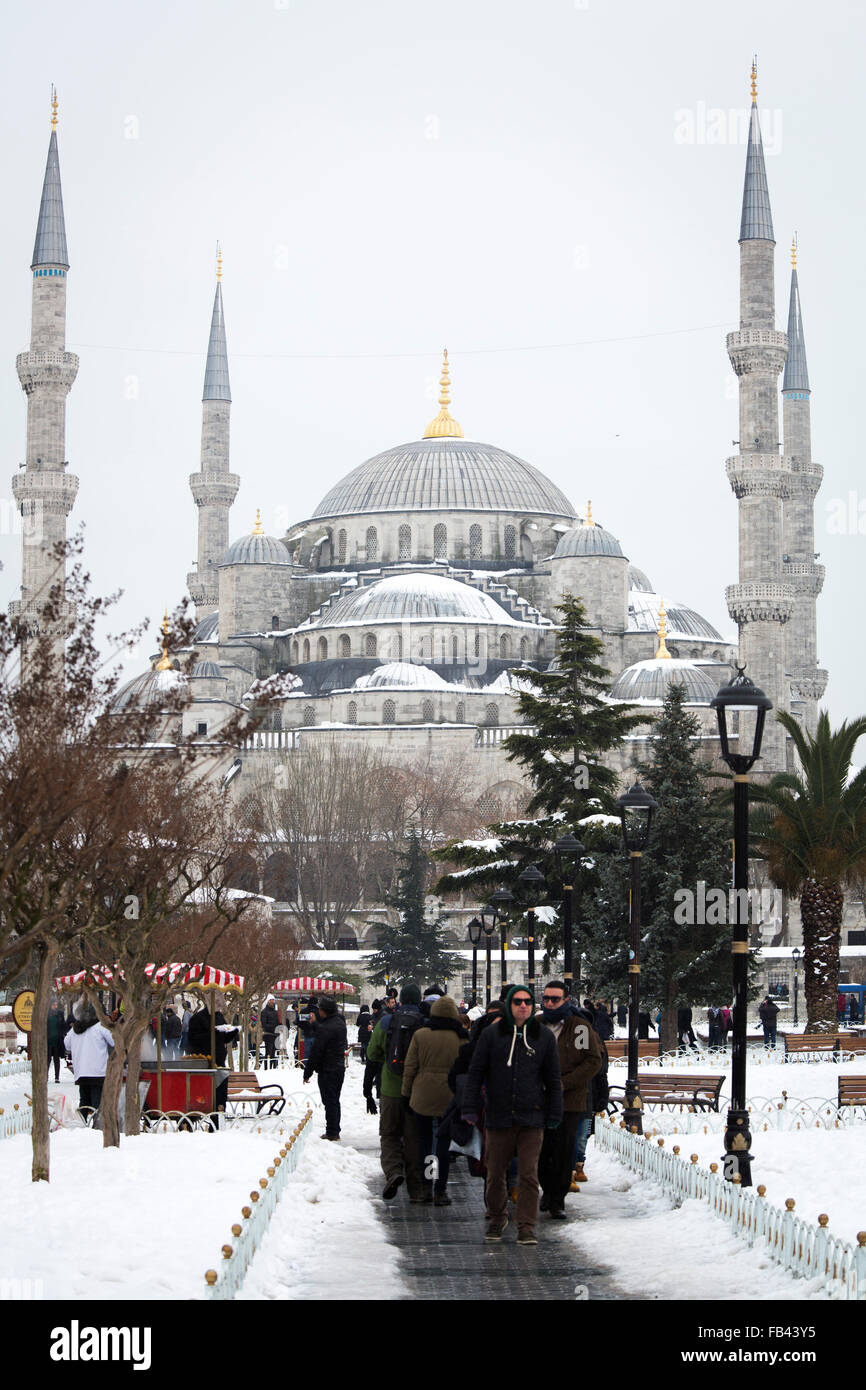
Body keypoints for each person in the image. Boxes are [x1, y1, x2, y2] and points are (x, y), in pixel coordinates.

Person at [463, 983, 562, 1245]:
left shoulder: (543, 1037)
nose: (522, 1006)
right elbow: (476, 1073)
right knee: (495, 1173)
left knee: (529, 1175)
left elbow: (553, 1078)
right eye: (517, 1002)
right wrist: (470, 1107)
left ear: (533, 1005)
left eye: (527, 1002)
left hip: (532, 1116)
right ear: (509, 1005)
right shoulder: (492, 1035)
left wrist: (555, 1111)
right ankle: (497, 1217)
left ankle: (527, 1226)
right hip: (498, 1115)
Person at [538, 982, 601, 1218]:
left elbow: (593, 1062)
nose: (550, 1003)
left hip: (570, 1100)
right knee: (542, 1149)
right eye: (546, 999)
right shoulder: (537, 1025)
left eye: (555, 999)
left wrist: (565, 1083)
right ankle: (546, 1189)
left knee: (564, 1151)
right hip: (541, 1098)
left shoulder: (579, 1028)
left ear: (566, 1000)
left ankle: (558, 1199)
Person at [366, 982, 427, 1202]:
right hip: (416, 1091)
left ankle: (393, 1172)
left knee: (390, 1134)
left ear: (400, 1000)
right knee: (414, 1139)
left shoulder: (387, 1022)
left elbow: (372, 1053)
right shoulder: (425, 1024)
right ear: (419, 1000)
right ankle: (416, 1190)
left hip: (390, 1088)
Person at [401, 994, 465, 1205]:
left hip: (422, 1095)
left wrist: (406, 1093)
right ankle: (440, 1189)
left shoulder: (421, 1035)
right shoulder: (461, 1036)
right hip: (450, 1096)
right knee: (443, 1145)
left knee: (425, 1143)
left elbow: (410, 1067)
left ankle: (426, 1186)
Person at [303, 996, 348, 1140]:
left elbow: (317, 1050)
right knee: (335, 1099)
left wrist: (307, 1072)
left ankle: (332, 1132)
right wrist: (316, 1025)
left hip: (327, 1069)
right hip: (338, 1067)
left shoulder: (328, 1027)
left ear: (324, 1011)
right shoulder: (339, 1023)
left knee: (329, 1101)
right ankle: (335, 1129)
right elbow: (326, 1033)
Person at [187, 1001, 239, 1127]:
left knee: (221, 1094)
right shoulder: (197, 1018)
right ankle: (196, 1118)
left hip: (220, 1062)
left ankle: (218, 1119)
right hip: (204, 1062)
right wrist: (213, 1034)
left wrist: (233, 1032)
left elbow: (224, 1038)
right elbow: (193, 1039)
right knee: (203, 1094)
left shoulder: (219, 1017)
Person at [64, 1004, 115, 1118]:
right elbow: (114, 1041)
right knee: (97, 1103)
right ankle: (97, 1128)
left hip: (81, 1071)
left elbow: (66, 1044)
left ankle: (82, 1125)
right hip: (98, 1071)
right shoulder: (100, 1026)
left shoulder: (74, 1029)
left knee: (84, 1102)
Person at [47, 1000, 67, 1084]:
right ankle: (45, 1076)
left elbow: (63, 1026)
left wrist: (62, 1034)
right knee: (47, 1059)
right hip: (48, 1040)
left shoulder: (60, 1014)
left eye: (56, 1005)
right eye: (53, 1005)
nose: (55, 1006)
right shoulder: (46, 1014)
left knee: (56, 1059)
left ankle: (57, 1077)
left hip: (57, 1040)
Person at [260, 996, 280, 1069]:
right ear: (268, 1001)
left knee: (273, 1052)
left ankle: (273, 1068)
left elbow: (277, 1021)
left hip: (275, 1034)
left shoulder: (275, 1012)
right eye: (271, 1000)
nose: (272, 1002)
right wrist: (273, 1027)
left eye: (273, 1000)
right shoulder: (264, 1012)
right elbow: (264, 1024)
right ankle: (267, 1068)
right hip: (268, 1035)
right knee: (268, 1052)